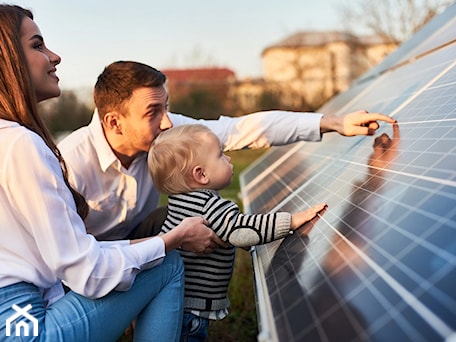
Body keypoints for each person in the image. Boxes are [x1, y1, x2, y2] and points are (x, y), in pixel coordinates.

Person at [0, 5, 224, 341]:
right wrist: (172, 240)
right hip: (23, 327)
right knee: (165, 264)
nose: (54, 56)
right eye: (37, 45)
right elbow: (86, 272)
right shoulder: (21, 144)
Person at [58, 60, 397, 243]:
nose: (166, 124)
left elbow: (240, 129)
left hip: (140, 238)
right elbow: (68, 257)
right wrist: (168, 244)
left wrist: (332, 122)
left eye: (167, 108)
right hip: (89, 263)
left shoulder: (166, 132)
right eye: (152, 113)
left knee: (200, 217)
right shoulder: (70, 163)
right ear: (114, 122)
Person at [147, 124, 328, 341]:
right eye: (221, 155)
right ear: (201, 174)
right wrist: (291, 221)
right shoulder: (209, 205)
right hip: (190, 312)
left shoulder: (179, 203)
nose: (229, 160)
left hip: (175, 303)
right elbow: (241, 230)